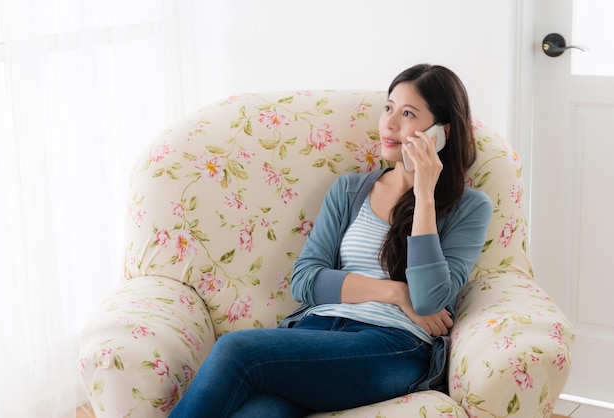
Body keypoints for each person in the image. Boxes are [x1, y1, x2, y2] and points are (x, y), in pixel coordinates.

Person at [169, 64, 493, 418]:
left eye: (408, 113)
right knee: (260, 414)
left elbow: (430, 300)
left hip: (392, 346)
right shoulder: (349, 190)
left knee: (235, 350)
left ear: (441, 132)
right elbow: (306, 280)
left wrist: (425, 195)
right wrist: (396, 293)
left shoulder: (470, 208)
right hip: (316, 331)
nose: (390, 123)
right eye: (388, 108)